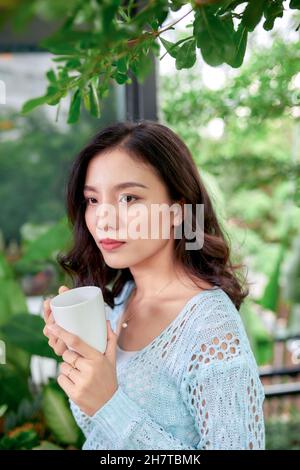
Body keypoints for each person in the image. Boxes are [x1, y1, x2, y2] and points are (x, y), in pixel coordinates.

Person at [43, 120, 265, 450]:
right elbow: (99, 435)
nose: (103, 218)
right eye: (92, 200)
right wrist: (82, 358)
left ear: (177, 211)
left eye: (129, 198)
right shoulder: (122, 301)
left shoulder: (210, 330)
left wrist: (110, 405)